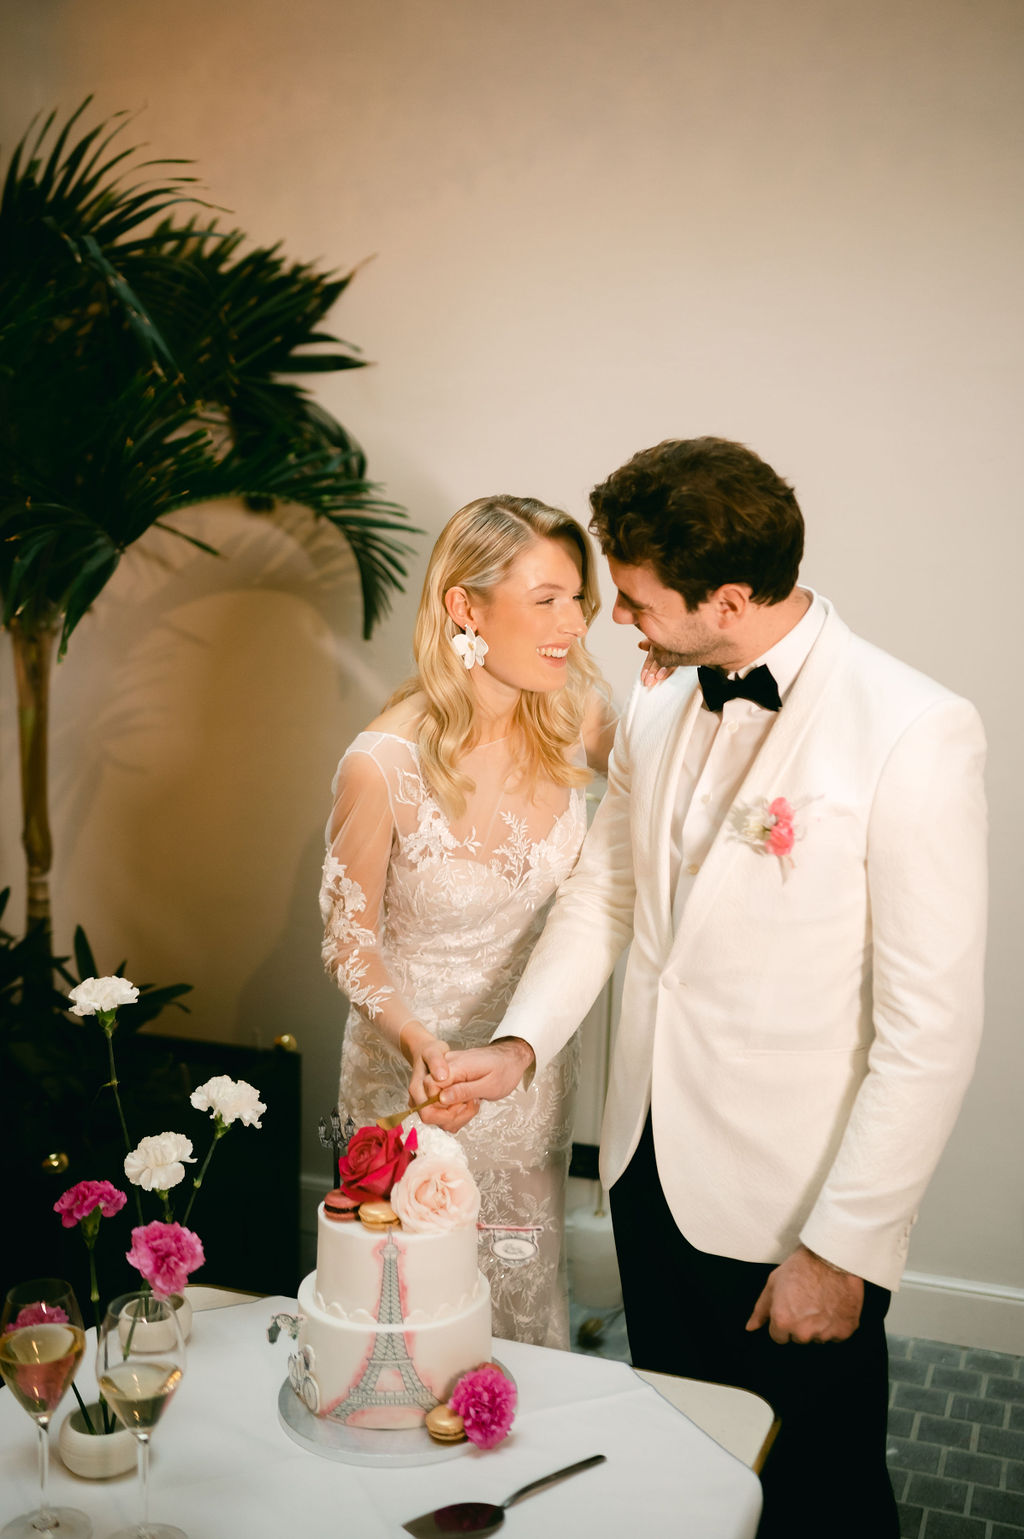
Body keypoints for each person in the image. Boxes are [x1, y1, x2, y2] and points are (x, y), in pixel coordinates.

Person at [428, 438, 987, 1537]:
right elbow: (607, 893)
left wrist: (842, 1248)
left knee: (817, 1485)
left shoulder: (916, 730)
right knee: (683, 1451)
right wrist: (521, 1044)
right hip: (644, 1158)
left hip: (791, 1206)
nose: (615, 623)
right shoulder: (658, 700)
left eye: (634, 602)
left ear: (727, 599)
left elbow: (931, 1029)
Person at [318, 494, 616, 1350]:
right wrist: (417, 1041)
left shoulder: (575, 721)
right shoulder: (381, 765)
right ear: (465, 606)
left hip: (526, 1080)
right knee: (406, 1325)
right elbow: (347, 941)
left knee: (524, 1305)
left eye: (579, 601)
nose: (574, 625)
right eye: (548, 599)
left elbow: (679, 788)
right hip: (413, 1086)